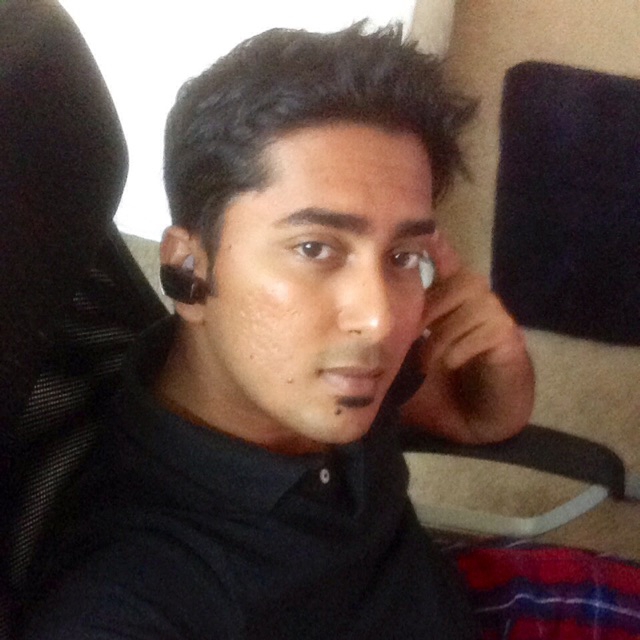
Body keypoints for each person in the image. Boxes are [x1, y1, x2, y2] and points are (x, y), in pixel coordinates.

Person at [23, 21, 534, 639]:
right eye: (315, 248)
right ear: (189, 268)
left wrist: (498, 361)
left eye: (403, 255)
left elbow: (480, 419)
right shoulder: (132, 598)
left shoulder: (307, 377)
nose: (378, 319)